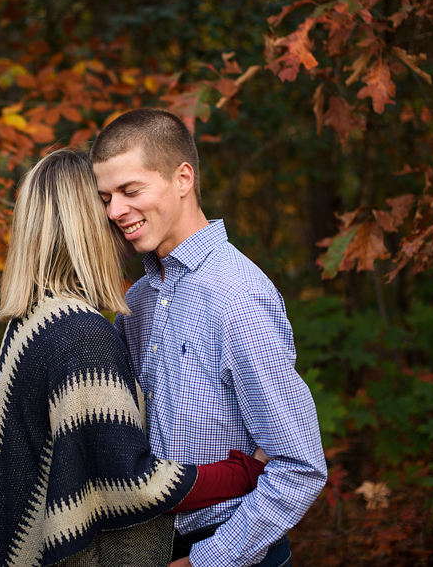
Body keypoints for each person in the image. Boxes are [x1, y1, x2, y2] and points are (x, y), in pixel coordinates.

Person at [0, 149, 267, 567]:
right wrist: (245, 472)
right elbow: (127, 483)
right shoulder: (82, 336)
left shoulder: (33, 317)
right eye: (105, 202)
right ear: (86, 223)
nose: (120, 213)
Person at [90, 109, 327, 567]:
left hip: (231, 550)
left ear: (183, 178)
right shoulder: (135, 301)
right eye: (106, 197)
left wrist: (209, 561)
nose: (114, 211)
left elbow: (299, 465)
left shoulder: (237, 296)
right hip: (148, 548)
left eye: (130, 191)